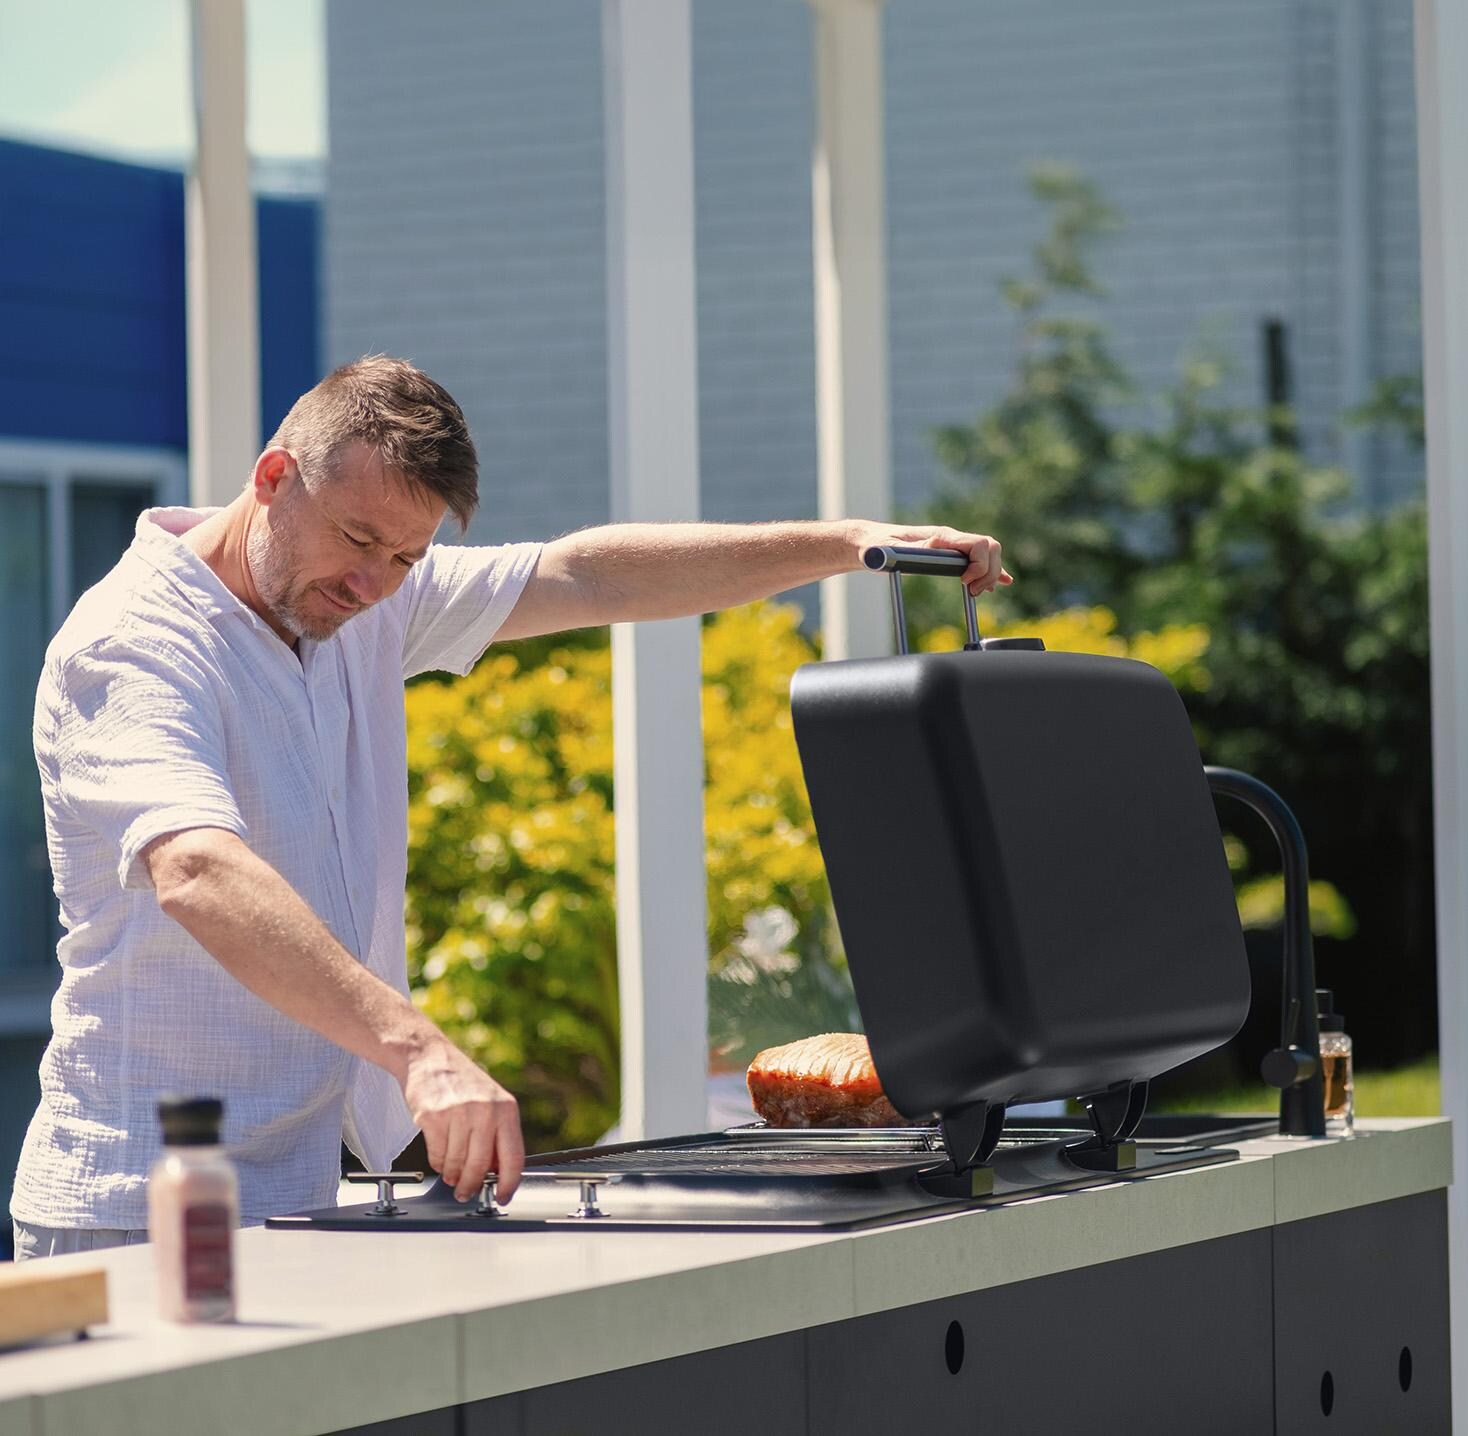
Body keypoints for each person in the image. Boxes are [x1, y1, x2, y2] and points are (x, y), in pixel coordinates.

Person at [9, 356, 1010, 1259]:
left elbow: (584, 572)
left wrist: (849, 544)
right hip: (133, 1204)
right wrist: (418, 1049)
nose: (373, 585)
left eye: (406, 559)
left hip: (301, 1192)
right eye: (359, 540)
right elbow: (196, 869)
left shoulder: (357, 595)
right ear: (273, 479)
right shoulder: (135, 645)